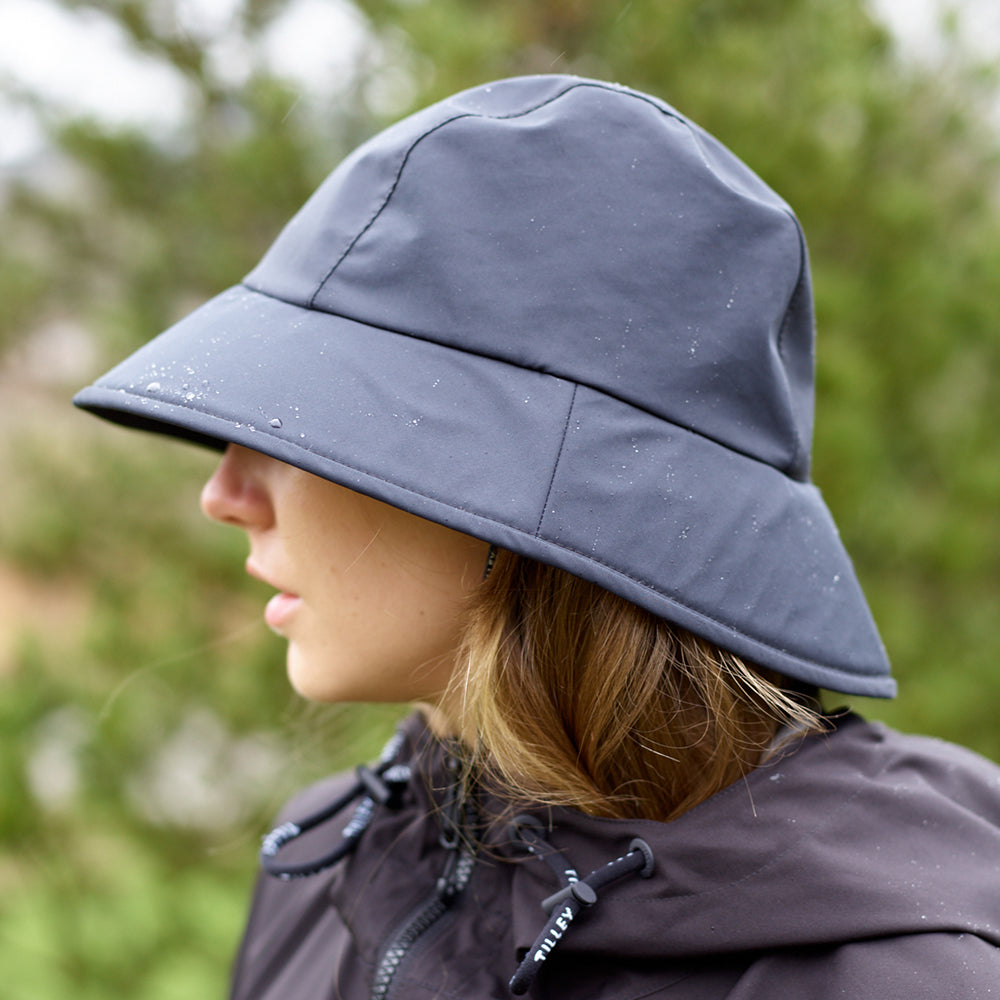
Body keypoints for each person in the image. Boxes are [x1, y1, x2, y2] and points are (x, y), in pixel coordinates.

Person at [74, 75, 1000, 999]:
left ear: (532, 504)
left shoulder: (900, 977)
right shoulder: (328, 870)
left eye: (302, 424)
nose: (224, 493)